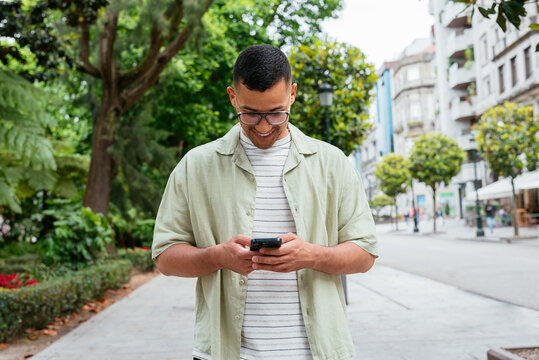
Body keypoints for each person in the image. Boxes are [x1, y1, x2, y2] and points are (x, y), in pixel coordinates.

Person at [152, 44, 378, 360]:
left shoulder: (333, 163)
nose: (262, 126)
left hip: (319, 351)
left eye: (275, 113)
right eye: (250, 113)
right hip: (224, 352)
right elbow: (165, 257)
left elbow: (365, 254)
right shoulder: (195, 166)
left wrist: (311, 255)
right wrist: (218, 256)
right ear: (233, 98)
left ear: (292, 94)